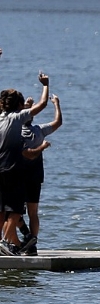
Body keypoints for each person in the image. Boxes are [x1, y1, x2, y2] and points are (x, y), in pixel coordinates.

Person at [0, 72, 49, 255]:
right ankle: (5, 242)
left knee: (2, 209)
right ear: (19, 106)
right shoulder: (17, 118)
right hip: (12, 169)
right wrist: (45, 85)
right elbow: (43, 104)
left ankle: (10, 243)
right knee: (15, 211)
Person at [17, 93, 62, 255]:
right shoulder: (39, 131)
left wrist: (26, 106)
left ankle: (24, 237)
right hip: (35, 176)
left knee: (12, 211)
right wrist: (56, 104)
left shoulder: (14, 131)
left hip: (18, 176)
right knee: (33, 212)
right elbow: (57, 123)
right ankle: (32, 241)